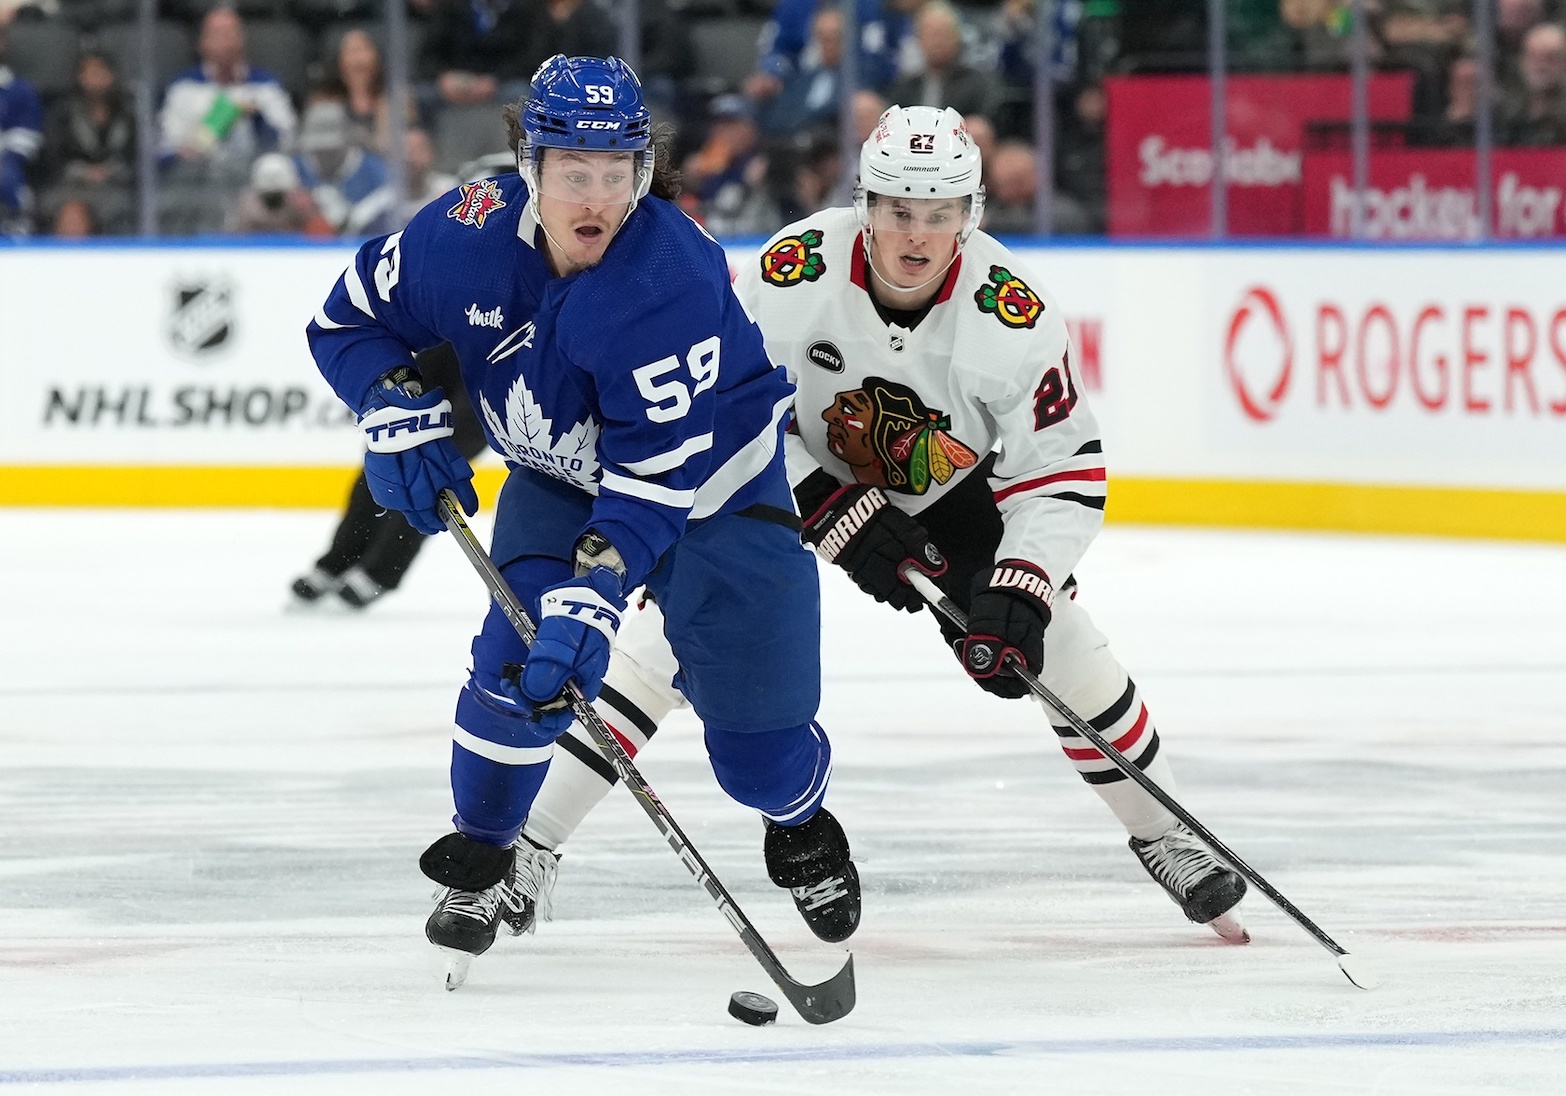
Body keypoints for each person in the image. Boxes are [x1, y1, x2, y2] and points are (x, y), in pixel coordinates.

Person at [512, 105, 1250, 946]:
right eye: (898, 208)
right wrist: (822, 501)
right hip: (779, 478)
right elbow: (714, 410)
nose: (917, 235)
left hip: (946, 491)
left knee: (1059, 646)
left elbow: (1063, 469)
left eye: (940, 214)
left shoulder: (1012, 315)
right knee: (664, 644)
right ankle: (530, 845)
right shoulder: (792, 275)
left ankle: (1166, 834)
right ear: (864, 201)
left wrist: (1024, 582)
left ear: (971, 215)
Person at [306, 55, 860, 981]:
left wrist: (595, 593)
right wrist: (393, 406)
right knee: (517, 667)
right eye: (574, 172)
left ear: (644, 170)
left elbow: (658, 477)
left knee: (759, 758)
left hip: (715, 490)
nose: (596, 196)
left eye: (616, 172)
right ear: (530, 164)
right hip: (559, 481)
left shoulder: (668, 278)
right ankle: (484, 854)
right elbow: (346, 319)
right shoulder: (463, 234)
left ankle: (797, 820)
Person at [290, 342, 486, 609]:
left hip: (502, 357)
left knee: (435, 469)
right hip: (451, 337)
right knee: (387, 448)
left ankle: (379, 573)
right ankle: (340, 559)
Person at [158, 7, 297, 177]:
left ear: (242, 40)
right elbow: (166, 148)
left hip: (251, 180)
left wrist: (257, 119)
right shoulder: (183, 87)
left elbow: (286, 145)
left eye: (231, 33)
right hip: (196, 185)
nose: (226, 42)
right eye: (217, 34)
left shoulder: (266, 85)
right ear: (202, 43)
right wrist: (189, 150)